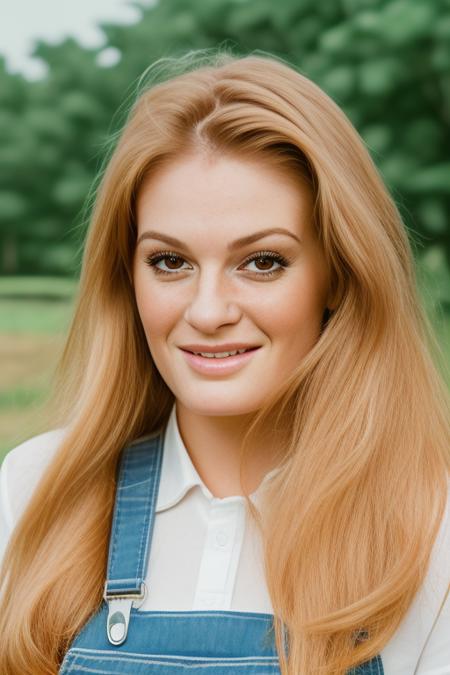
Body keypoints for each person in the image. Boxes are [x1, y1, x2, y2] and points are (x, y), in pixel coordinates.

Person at [0, 48, 449, 675]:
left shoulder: (434, 528)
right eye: (170, 262)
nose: (208, 311)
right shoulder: (34, 490)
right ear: (126, 277)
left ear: (340, 277)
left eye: (262, 261)